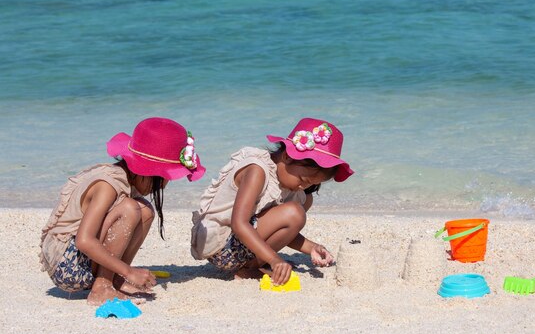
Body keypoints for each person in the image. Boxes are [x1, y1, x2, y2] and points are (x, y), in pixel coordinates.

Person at [39, 117, 205, 305]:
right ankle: (102, 287)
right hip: (67, 265)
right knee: (130, 208)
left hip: (79, 259)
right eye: (164, 177)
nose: (164, 185)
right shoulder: (107, 185)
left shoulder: (125, 179)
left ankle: (114, 280)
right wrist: (129, 271)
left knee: (145, 210)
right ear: (147, 170)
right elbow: (83, 240)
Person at [191, 117, 353, 285]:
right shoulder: (257, 171)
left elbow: (282, 230)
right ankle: (250, 268)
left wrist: (312, 247)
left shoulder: (296, 192)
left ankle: (253, 264)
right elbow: (239, 223)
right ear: (287, 156)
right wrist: (275, 259)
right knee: (294, 212)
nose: (302, 186)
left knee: (302, 204)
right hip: (221, 246)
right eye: (303, 179)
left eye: (312, 184)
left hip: (237, 247)